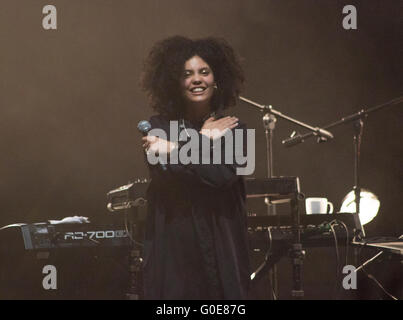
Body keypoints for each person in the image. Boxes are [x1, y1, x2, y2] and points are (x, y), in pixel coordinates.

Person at [140, 36, 250, 300]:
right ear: (175, 83)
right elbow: (164, 171)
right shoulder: (157, 127)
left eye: (204, 72)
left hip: (223, 246)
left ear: (217, 79)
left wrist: (174, 149)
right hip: (174, 250)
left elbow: (221, 176)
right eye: (187, 74)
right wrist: (204, 140)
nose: (197, 79)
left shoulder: (236, 129)